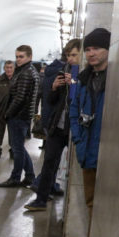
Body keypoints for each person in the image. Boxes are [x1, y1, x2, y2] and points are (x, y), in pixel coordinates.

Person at [66, 28, 110, 237]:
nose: (91, 54)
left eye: (97, 49)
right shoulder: (83, 80)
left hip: (111, 153)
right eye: (89, 49)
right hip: (88, 151)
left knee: (112, 202)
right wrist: (78, 139)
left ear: (108, 50)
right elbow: (74, 111)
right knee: (91, 200)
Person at [25, 38, 81, 211]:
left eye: (74, 55)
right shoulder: (63, 70)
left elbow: (79, 99)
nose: (70, 59)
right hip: (59, 125)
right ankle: (41, 199)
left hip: (76, 127)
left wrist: (75, 83)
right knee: (49, 161)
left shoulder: (84, 74)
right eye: (68, 55)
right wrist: (55, 88)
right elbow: (51, 100)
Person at [0, 45, 41, 188]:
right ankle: (29, 176)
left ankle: (15, 178)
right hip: (23, 116)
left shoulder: (25, 73)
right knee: (19, 147)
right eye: (16, 56)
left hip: (19, 116)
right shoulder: (29, 70)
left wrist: (7, 113)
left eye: (21, 56)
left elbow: (20, 98)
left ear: (29, 57)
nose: (18, 59)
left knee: (17, 148)